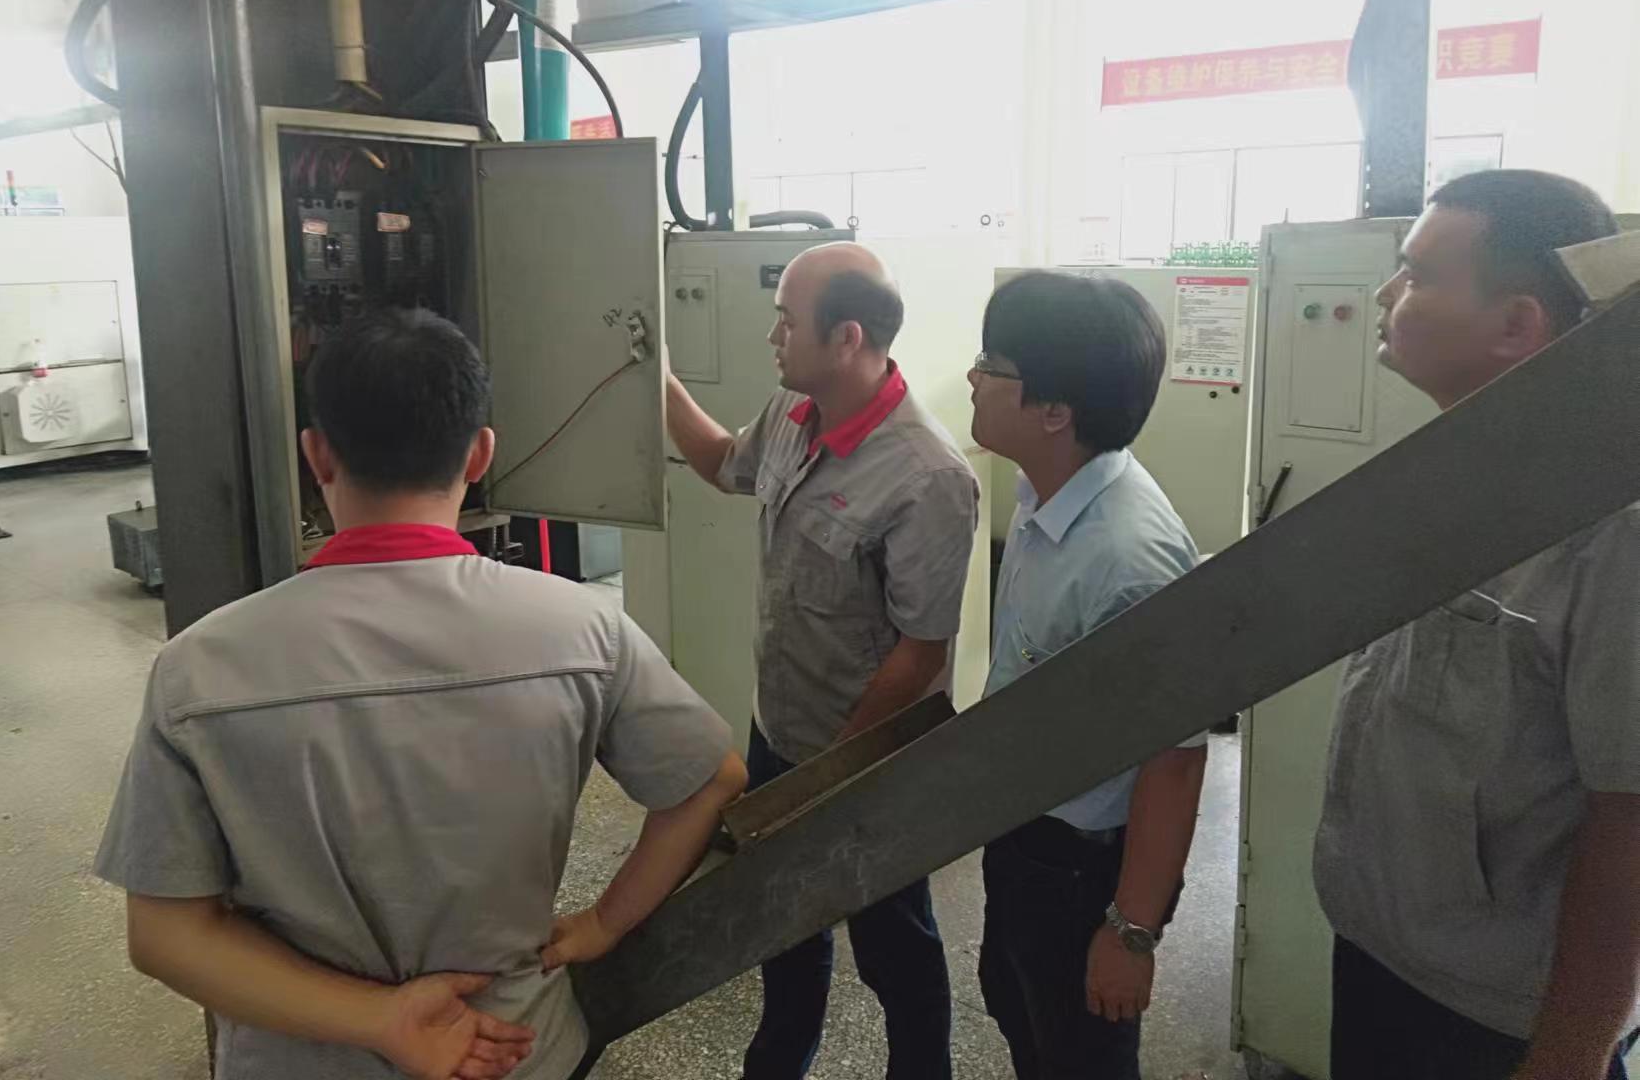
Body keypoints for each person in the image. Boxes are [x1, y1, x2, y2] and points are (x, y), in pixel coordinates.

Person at [94, 308, 747, 1080]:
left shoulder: (198, 668)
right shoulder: (584, 629)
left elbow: (167, 935)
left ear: (316, 455)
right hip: (517, 1050)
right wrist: (605, 921)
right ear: (480, 454)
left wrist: (379, 1018)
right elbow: (710, 780)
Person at [1314, 169, 1640, 1080]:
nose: (1386, 293)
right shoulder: (1452, 470)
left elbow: (1630, 819)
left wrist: (1569, 1056)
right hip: (1380, 955)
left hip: (1497, 1019)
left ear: (1517, 325)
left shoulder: (1613, 530)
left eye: (1418, 274)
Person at [666, 242, 978, 1080]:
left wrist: (831, 777)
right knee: (782, 924)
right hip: (781, 731)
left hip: (865, 760)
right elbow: (722, 464)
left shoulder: (927, 477)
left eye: (786, 322)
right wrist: (655, 378)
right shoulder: (791, 412)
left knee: (892, 943)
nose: (773, 338)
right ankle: (776, 1063)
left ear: (847, 338)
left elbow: (921, 651)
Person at [969, 270, 1208, 1080]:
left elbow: (1174, 763)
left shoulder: (1129, 562)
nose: (972, 377)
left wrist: (1130, 932)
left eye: (991, 365)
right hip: (1025, 831)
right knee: (1018, 1009)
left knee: (1081, 1055)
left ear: (1054, 411)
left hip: (1082, 867)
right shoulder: (1046, 493)